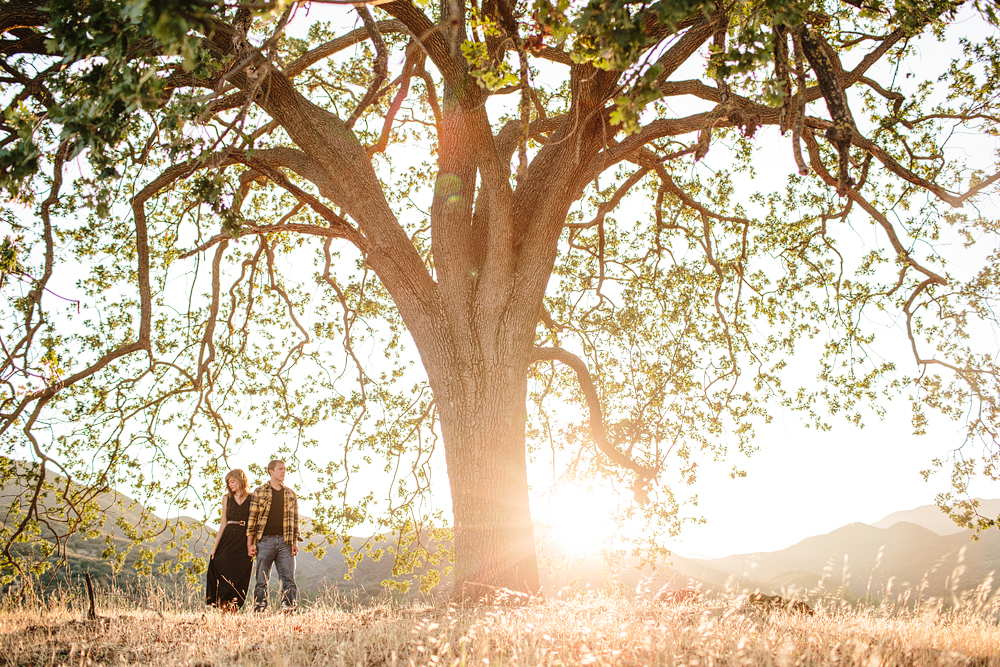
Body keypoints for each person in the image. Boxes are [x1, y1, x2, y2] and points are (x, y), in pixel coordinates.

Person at [247, 459, 300, 612]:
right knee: (262, 579)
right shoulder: (259, 491)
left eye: (285, 469)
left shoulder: (290, 493)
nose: (284, 472)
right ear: (271, 471)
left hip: (286, 542)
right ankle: (260, 607)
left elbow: (295, 520)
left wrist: (294, 542)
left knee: (288, 578)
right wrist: (250, 544)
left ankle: (289, 607)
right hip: (264, 541)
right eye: (280, 469)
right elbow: (252, 518)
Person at [205, 469, 254, 612]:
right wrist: (214, 548)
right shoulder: (226, 498)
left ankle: (233, 613)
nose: (230, 485)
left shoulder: (253, 498)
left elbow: (255, 523)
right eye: (228, 482)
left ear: (241, 480)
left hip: (244, 540)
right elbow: (223, 523)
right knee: (220, 570)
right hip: (228, 538)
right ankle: (223, 613)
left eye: (232, 481)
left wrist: (252, 543)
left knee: (240, 577)